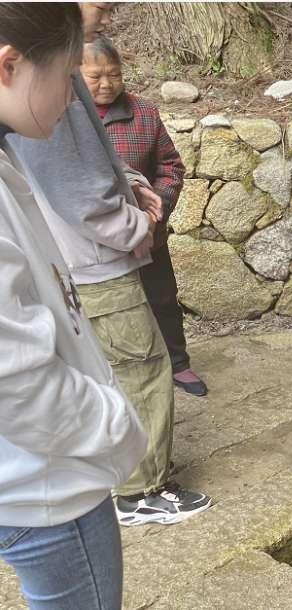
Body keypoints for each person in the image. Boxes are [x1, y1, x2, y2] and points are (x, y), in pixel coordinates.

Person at [6, 2, 212, 526]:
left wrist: (137, 188)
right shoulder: (40, 86)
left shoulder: (99, 95)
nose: (110, 12)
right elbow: (79, 191)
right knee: (141, 368)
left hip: (96, 254)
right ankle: (139, 488)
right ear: (10, 68)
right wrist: (135, 226)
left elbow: (115, 165)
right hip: (94, 261)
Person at [0, 3, 147, 607]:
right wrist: (119, 433)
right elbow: (15, 380)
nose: (70, 97)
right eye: (65, 76)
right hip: (45, 484)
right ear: (9, 65)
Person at [80, 35, 208, 397]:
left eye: (114, 74)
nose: (107, 84)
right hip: (96, 237)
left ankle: (178, 364)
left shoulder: (144, 112)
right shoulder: (66, 118)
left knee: (162, 297)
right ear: (75, 74)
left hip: (147, 231)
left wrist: (154, 211)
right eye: (95, 77)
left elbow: (171, 167)